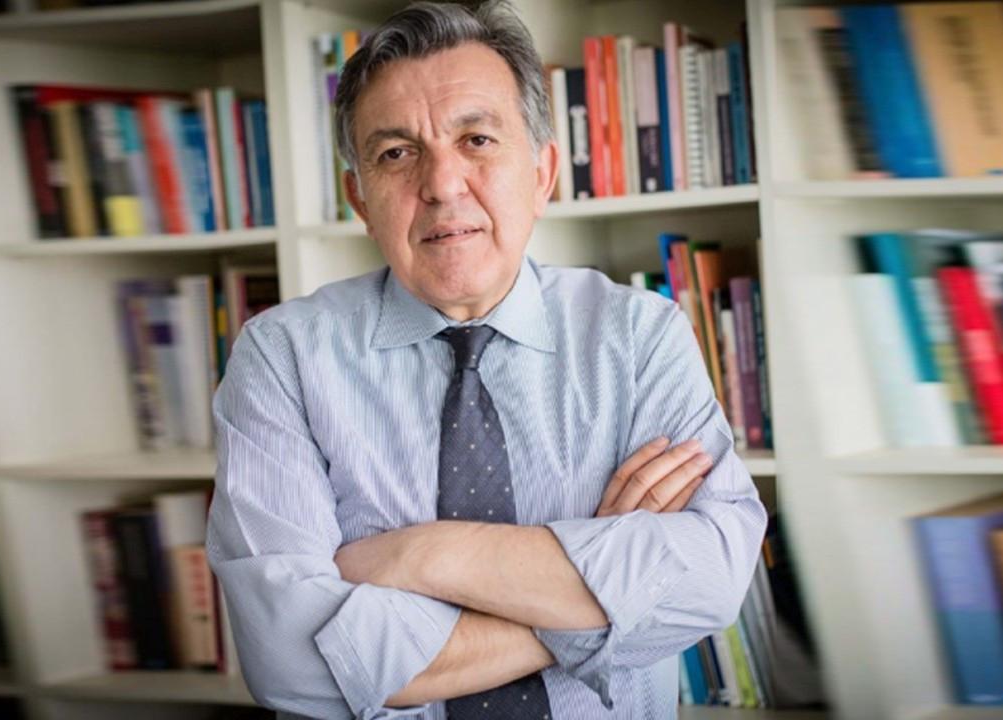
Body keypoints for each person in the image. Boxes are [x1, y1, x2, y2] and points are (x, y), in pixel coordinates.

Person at [206, 2, 767, 718]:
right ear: (360, 199)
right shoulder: (280, 357)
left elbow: (712, 579)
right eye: (396, 153)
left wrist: (422, 557)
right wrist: (603, 594)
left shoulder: (639, 334)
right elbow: (290, 663)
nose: (442, 184)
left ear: (542, 173)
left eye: (476, 139)